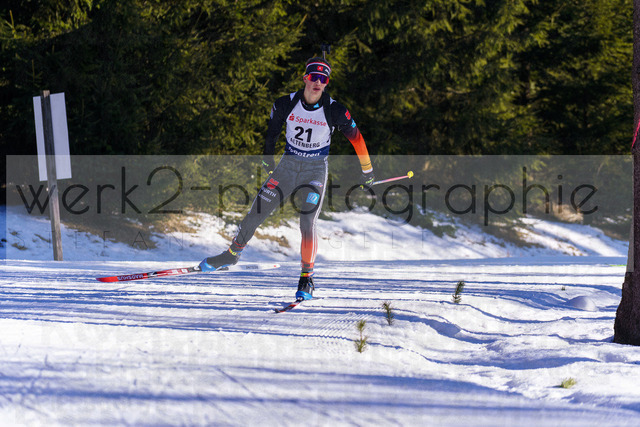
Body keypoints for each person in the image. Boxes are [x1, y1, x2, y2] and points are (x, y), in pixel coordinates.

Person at [200, 55, 374, 300]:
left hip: (315, 171)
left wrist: (367, 171)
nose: (318, 82)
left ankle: (307, 278)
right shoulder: (285, 103)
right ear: (305, 78)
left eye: (323, 79)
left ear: (326, 83)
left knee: (307, 222)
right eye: (314, 76)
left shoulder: (336, 110)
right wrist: (267, 159)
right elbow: (272, 133)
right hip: (287, 167)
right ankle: (231, 255)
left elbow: (357, 139)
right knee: (257, 212)